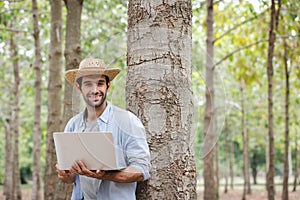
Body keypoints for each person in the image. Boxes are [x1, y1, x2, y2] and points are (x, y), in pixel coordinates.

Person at [55, 58, 151, 199]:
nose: (95, 90)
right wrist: (66, 175)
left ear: (108, 86)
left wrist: (106, 175)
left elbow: (142, 170)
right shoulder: (73, 125)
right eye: (88, 84)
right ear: (78, 87)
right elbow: (71, 179)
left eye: (100, 83)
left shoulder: (127, 121)